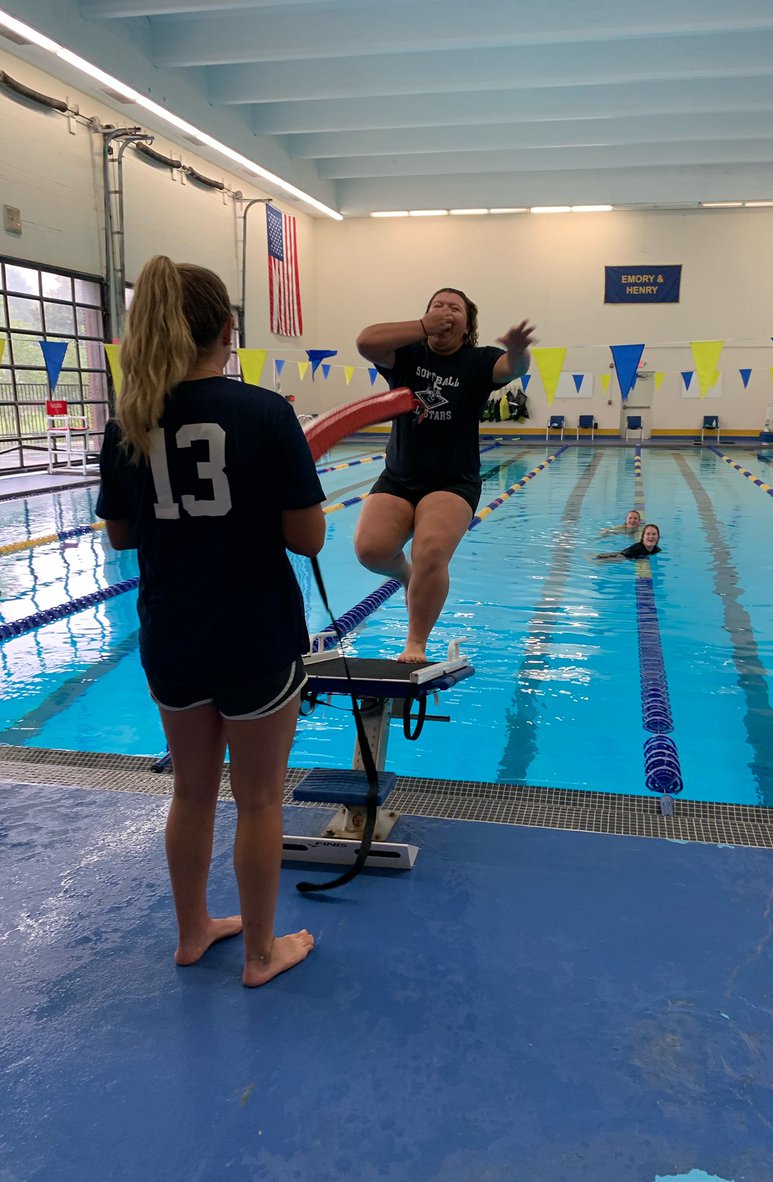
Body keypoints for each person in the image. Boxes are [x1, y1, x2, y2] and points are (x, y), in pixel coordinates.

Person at [95, 256, 326, 988]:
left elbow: (121, 537)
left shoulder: (129, 419)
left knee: (191, 792)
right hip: (253, 634)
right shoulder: (265, 413)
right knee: (259, 799)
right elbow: (309, 538)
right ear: (229, 329)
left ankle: (193, 931)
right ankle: (261, 953)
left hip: (172, 634)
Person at [354, 287, 535, 662]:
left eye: (455, 307)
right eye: (438, 305)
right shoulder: (406, 355)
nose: (445, 310)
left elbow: (513, 368)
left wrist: (518, 351)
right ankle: (405, 574)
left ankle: (415, 643)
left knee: (431, 552)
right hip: (400, 476)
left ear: (467, 325)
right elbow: (365, 342)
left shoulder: (477, 361)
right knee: (370, 551)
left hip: (453, 481)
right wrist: (421, 326)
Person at [594, 523, 661, 561]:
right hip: (621, 557)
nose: (651, 536)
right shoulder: (637, 549)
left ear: (658, 537)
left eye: (654, 534)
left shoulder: (656, 550)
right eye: (648, 534)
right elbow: (622, 556)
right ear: (643, 537)